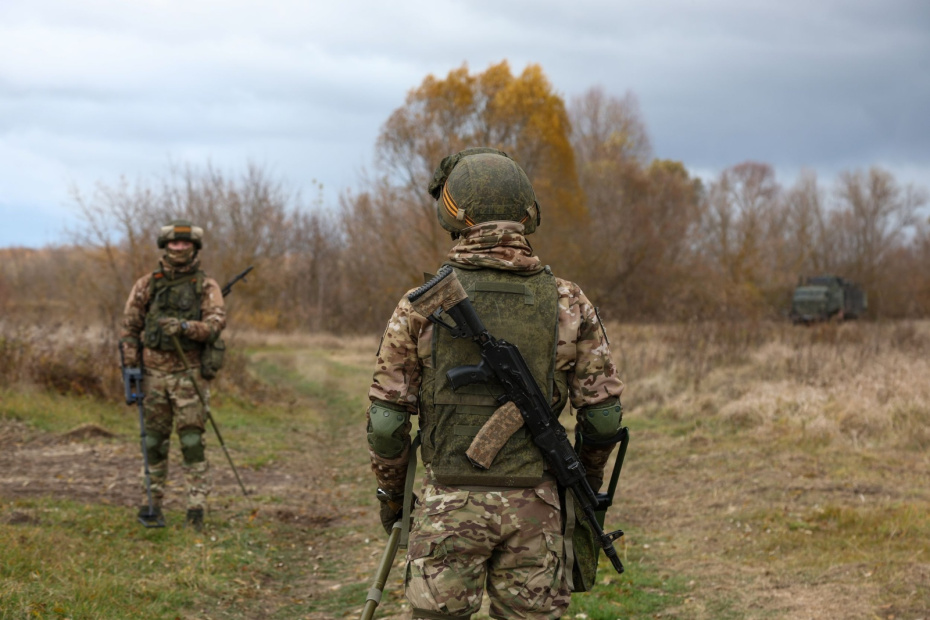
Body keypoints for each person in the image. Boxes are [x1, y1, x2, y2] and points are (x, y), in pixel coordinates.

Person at [366, 148, 625, 619]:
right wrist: (583, 482)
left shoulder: (419, 305)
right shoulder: (568, 300)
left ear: (452, 212)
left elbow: (386, 424)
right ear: (527, 214)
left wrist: (392, 499)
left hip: (448, 508)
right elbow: (604, 418)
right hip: (539, 510)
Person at [119, 220, 226, 530]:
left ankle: (196, 509)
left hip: (188, 374)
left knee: (192, 441)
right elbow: (129, 329)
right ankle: (151, 505)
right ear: (165, 247)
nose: (179, 249)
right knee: (153, 442)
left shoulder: (206, 286)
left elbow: (215, 325)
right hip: (152, 376)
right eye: (173, 244)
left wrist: (184, 328)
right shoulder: (146, 284)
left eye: (185, 244)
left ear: (194, 247)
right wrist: (132, 370)